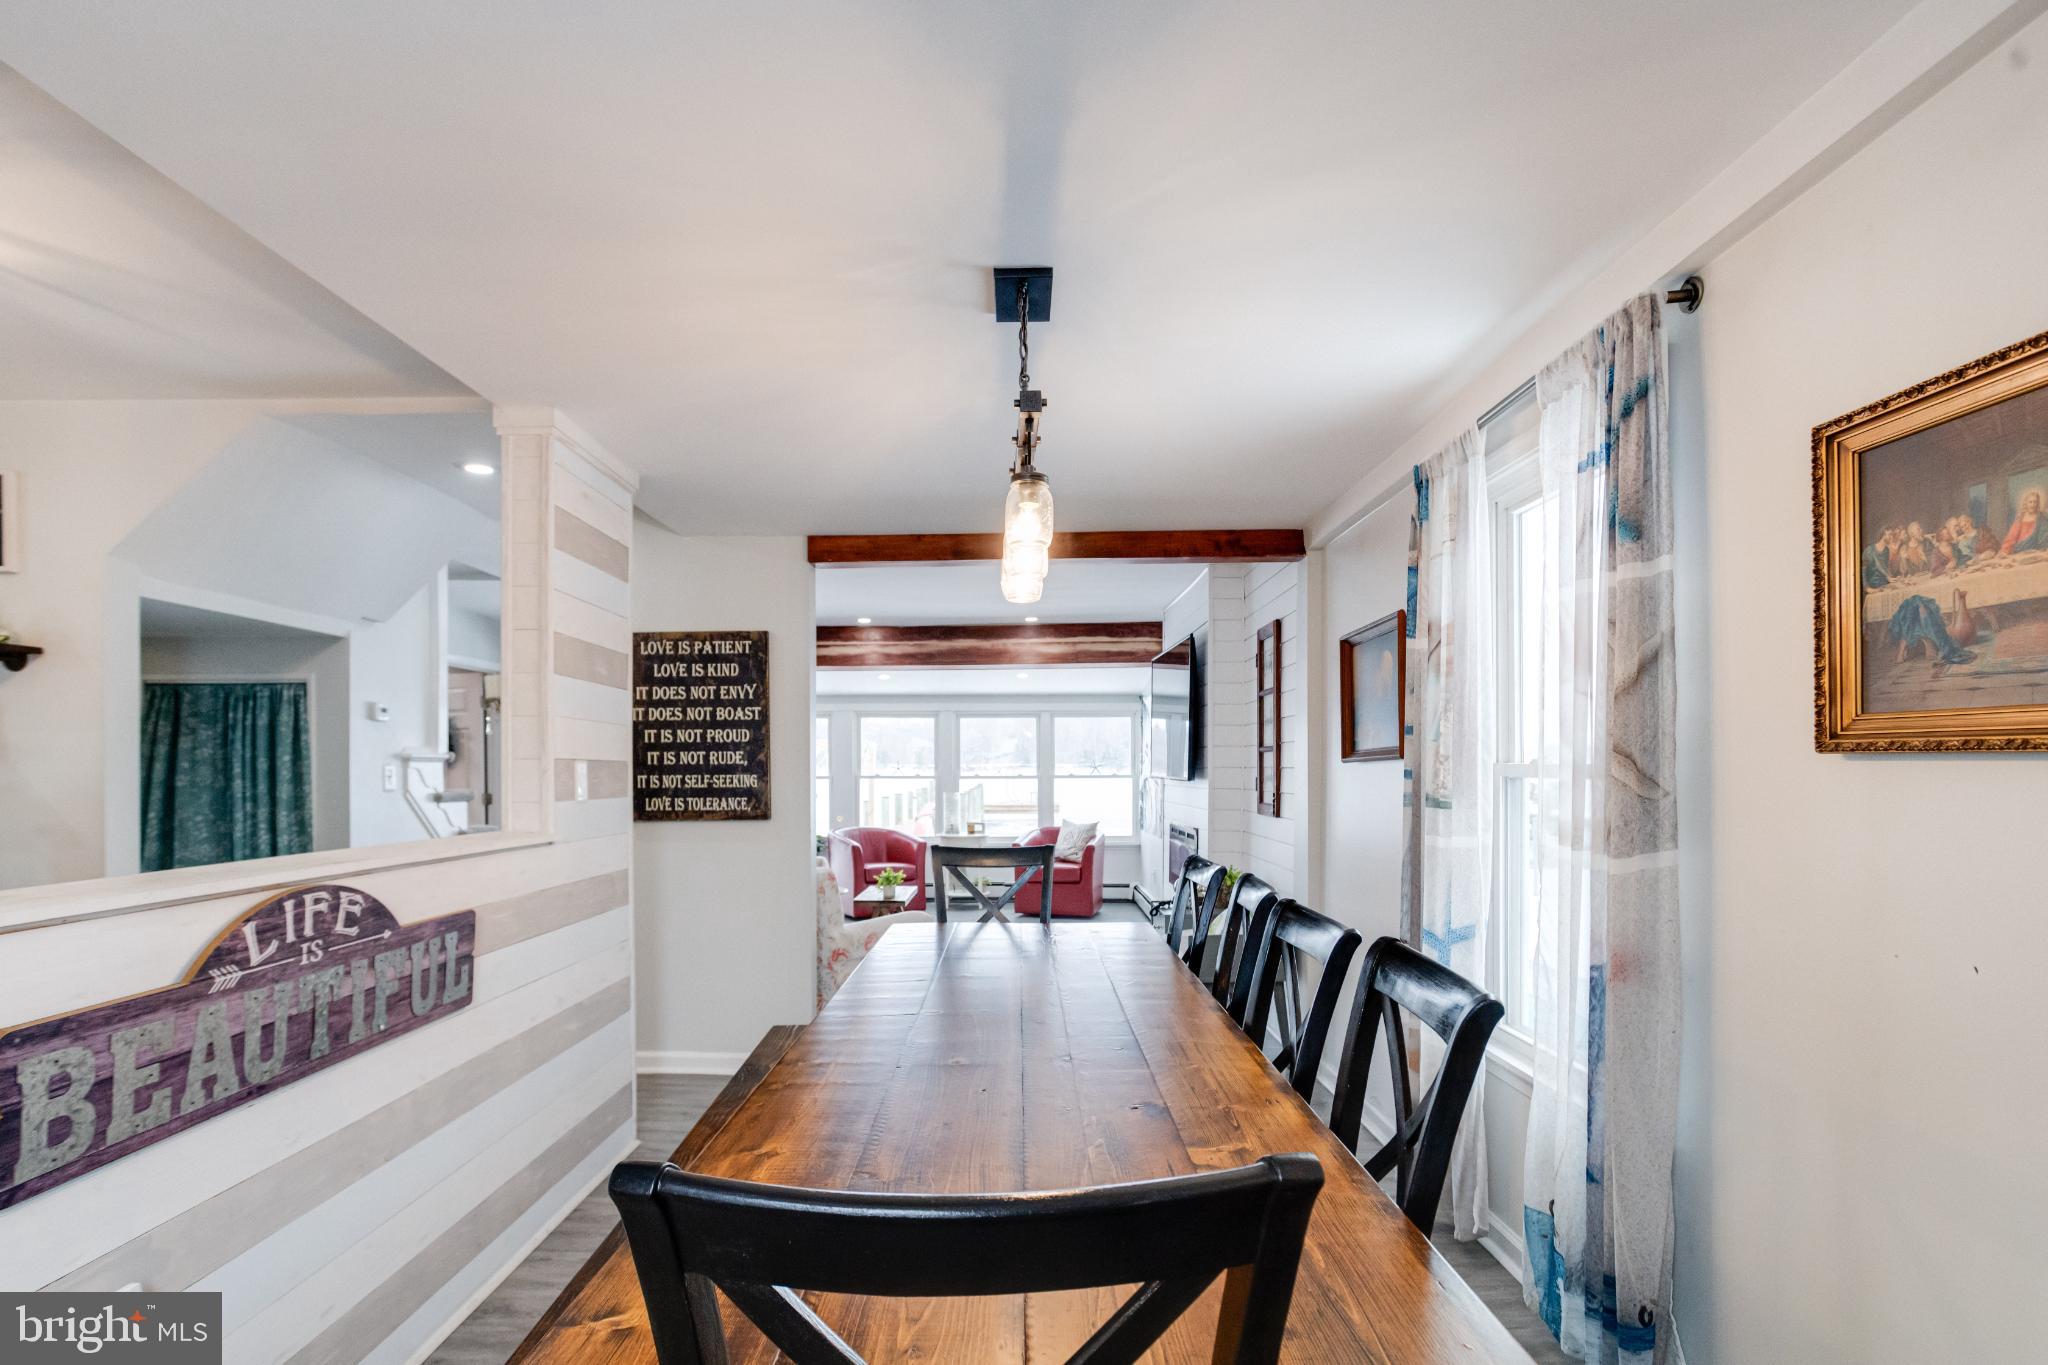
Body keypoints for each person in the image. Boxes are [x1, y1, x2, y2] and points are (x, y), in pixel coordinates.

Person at [2000, 489, 2048, 556]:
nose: (2033, 504)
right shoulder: (2020, 518)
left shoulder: (2042, 519)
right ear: (2026, 503)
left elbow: (2045, 538)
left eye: (2035, 502)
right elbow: (2011, 537)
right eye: (2030, 502)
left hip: (2036, 553)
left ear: (2038, 503)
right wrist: (2005, 550)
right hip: (2019, 552)